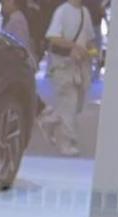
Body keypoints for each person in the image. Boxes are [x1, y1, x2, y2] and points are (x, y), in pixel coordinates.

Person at [43, 0, 97, 156]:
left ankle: (50, 120)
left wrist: (92, 50)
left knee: (76, 105)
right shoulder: (62, 11)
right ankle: (67, 143)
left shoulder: (84, 12)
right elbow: (53, 37)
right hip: (63, 66)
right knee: (69, 104)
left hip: (80, 67)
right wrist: (74, 47)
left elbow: (89, 38)